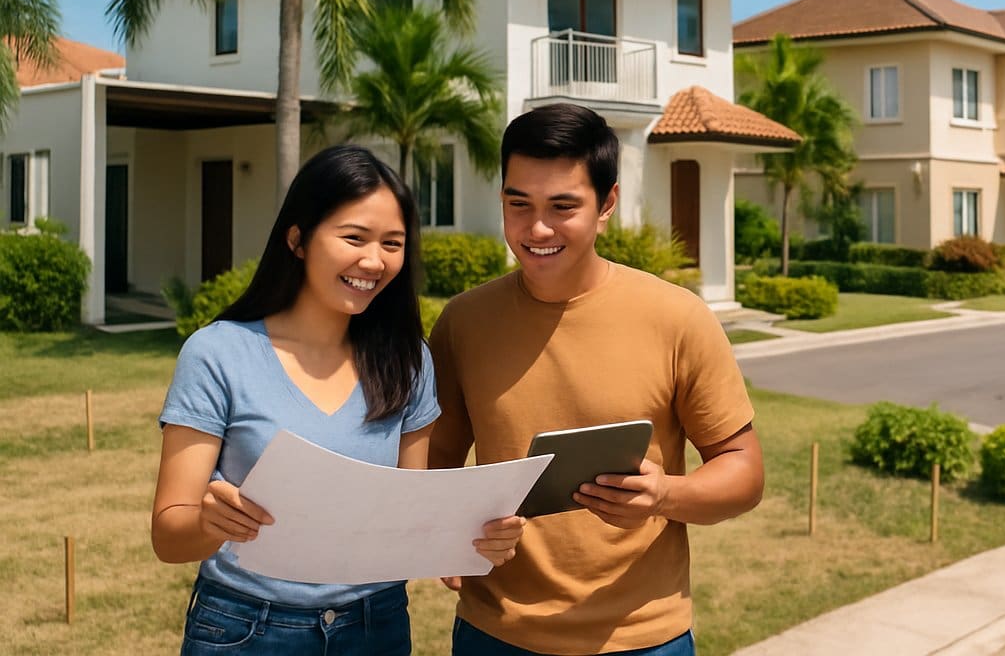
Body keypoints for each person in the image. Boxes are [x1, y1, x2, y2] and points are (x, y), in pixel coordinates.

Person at [153, 144, 524, 655]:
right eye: (354, 237)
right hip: (246, 629)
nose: (374, 261)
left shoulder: (409, 359)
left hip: (376, 626)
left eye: (392, 243)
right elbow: (169, 537)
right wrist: (209, 523)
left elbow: (409, 515)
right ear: (298, 238)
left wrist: (469, 538)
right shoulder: (217, 353)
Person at [428, 102, 764, 656]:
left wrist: (665, 495)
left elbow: (744, 474)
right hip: (495, 633)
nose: (537, 228)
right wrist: (445, 537)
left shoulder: (677, 318)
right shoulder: (464, 322)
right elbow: (435, 463)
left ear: (606, 203)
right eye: (519, 204)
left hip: (643, 638)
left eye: (563, 206)